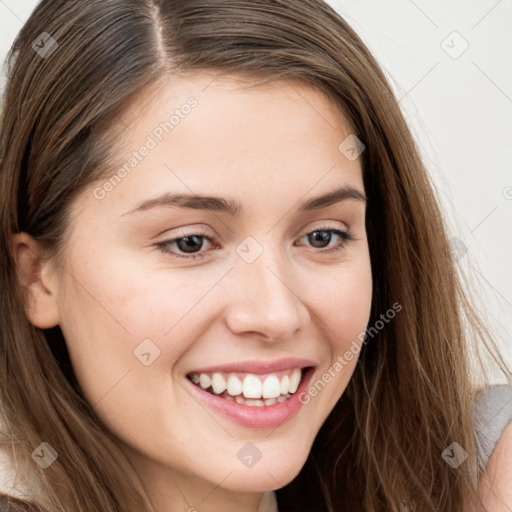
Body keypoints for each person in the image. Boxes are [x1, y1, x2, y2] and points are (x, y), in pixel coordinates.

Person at [0, 1, 511, 511]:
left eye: (322, 237)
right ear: (37, 278)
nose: (276, 313)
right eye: (190, 243)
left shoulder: (486, 469)